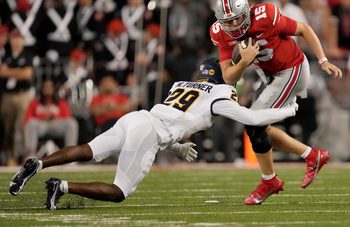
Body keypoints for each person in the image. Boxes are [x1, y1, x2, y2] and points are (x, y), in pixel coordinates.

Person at [9, 58, 298, 210]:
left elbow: (173, 121)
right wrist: (288, 110)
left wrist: (177, 147)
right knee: (120, 191)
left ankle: (39, 163)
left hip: (137, 118)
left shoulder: (182, 85)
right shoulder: (221, 94)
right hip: (149, 131)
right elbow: (252, 117)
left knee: (89, 149)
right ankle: (61, 186)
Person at [210, 0, 343, 205]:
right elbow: (228, 77)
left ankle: (269, 180)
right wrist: (244, 62)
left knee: (254, 123)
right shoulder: (220, 32)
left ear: (246, 11)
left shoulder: (265, 15)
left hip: (292, 69)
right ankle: (311, 156)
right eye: (229, 21)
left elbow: (304, 29)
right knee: (259, 128)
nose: (235, 24)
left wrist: (323, 60)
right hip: (270, 76)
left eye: (237, 18)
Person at [0, 29, 34, 166]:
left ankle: (25, 157)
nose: (16, 41)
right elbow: (1, 72)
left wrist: (9, 72)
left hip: (23, 95)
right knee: (8, 127)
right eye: (14, 38)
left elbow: (27, 74)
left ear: (23, 41)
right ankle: (11, 157)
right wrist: (18, 72)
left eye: (19, 38)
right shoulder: (5, 54)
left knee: (22, 126)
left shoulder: (28, 55)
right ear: (10, 40)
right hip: (8, 96)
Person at [23, 79, 79, 158]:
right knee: (31, 123)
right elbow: (27, 119)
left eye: (50, 87)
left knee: (72, 123)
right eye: (45, 87)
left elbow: (67, 118)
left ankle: (71, 155)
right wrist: (43, 117)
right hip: (41, 126)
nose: (48, 89)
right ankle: (31, 155)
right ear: (41, 89)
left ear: (54, 89)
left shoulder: (61, 102)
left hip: (56, 125)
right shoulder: (34, 103)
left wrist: (55, 117)